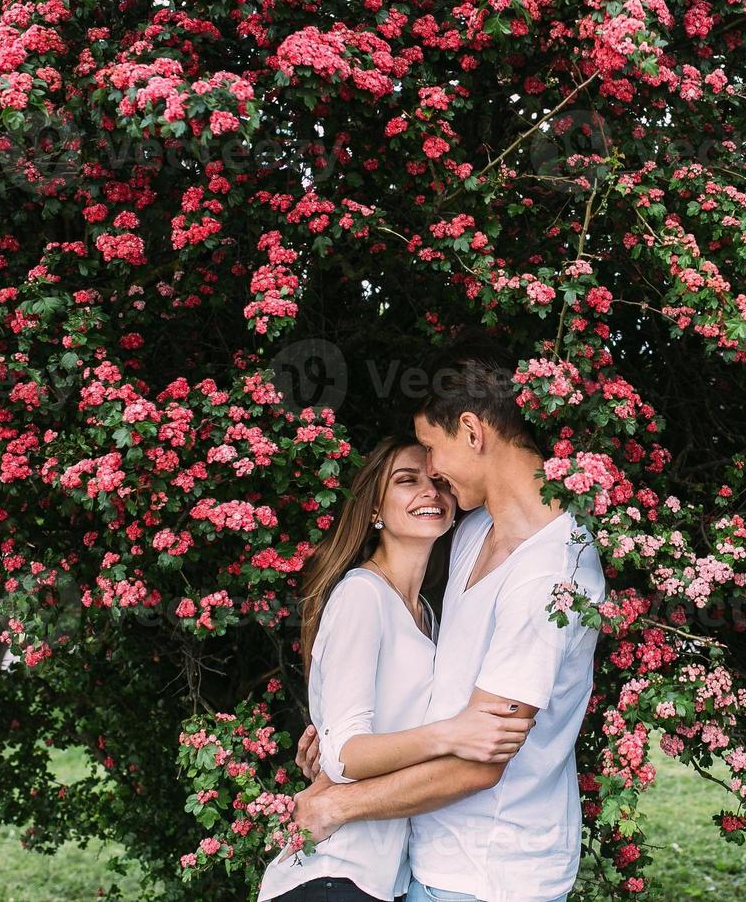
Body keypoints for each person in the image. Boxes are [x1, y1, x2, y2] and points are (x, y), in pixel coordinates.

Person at [290, 341, 607, 902]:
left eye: (433, 450)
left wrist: (339, 800)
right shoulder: (473, 533)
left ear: (472, 431)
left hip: (492, 878)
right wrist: (342, 752)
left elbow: (480, 764)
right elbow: (425, 681)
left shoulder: (551, 572)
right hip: (426, 862)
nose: (431, 471)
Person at [258, 433, 536, 902]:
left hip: (385, 877)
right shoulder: (362, 596)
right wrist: (451, 734)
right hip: (332, 874)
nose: (431, 492)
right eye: (407, 481)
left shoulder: (427, 611)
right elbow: (345, 754)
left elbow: (341, 753)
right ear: (375, 510)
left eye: (438, 481)